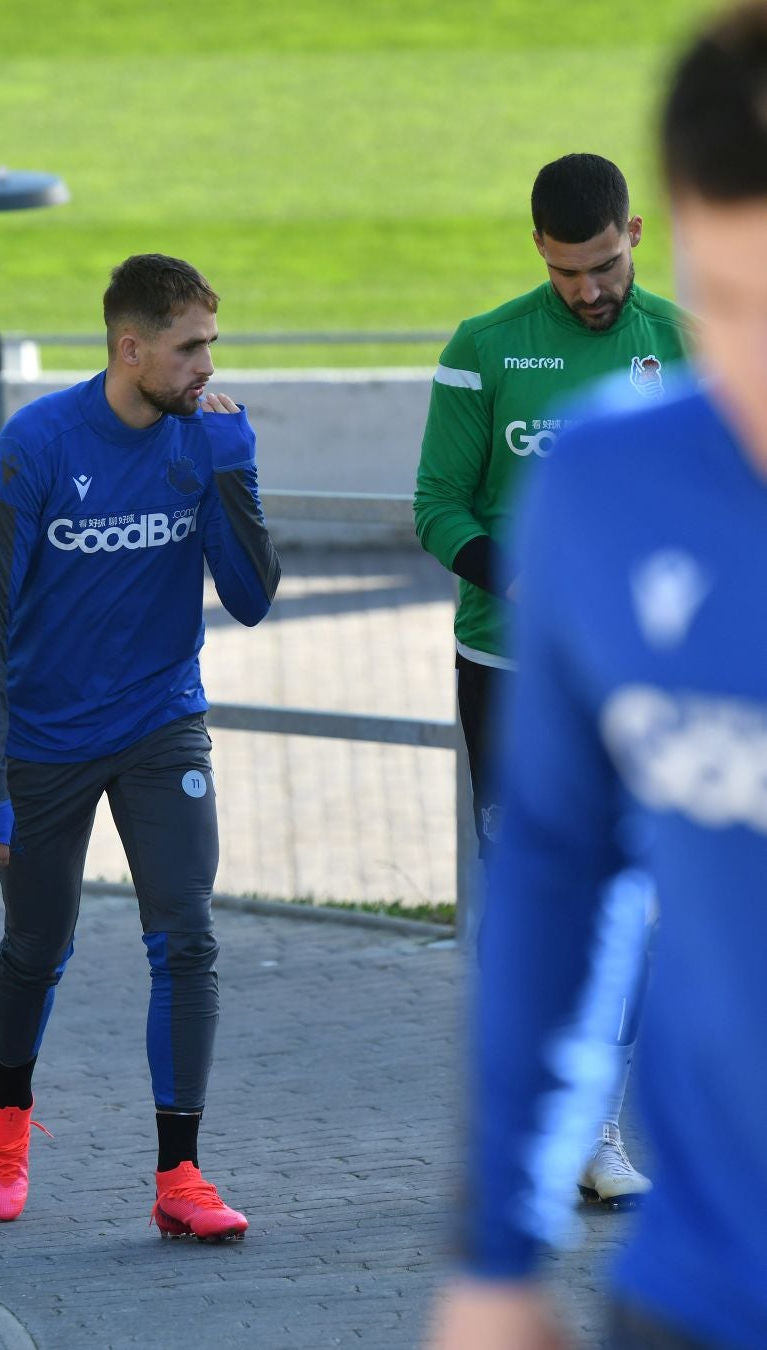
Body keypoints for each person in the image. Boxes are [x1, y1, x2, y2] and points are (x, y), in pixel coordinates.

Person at [429, 3, 767, 1346]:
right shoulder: (609, 482)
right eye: (733, 307)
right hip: (699, 1289)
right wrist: (497, 1255)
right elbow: (560, 883)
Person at [0, 253, 280, 1239]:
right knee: (37, 945)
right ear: (130, 348)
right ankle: (8, 1114)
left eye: (212, 345)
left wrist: (236, 471)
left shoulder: (202, 440)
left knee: (187, 939)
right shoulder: (36, 447)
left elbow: (252, 599)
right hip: (44, 742)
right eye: (189, 349)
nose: (207, 367)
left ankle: (180, 1177)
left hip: (160, 724)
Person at [414, 153, 691, 1208]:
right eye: (568, 271)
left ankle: (595, 1128)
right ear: (538, 248)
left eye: (605, 266)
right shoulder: (483, 349)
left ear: (635, 234)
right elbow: (438, 507)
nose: (589, 289)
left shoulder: (684, 345)